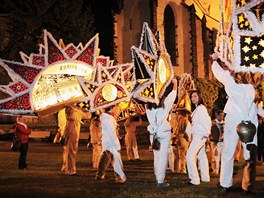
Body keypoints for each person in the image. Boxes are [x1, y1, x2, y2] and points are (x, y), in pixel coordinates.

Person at [211, 52, 259, 194]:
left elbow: (217, 71)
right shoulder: (253, 78)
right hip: (246, 117)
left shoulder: (230, 77)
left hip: (237, 117)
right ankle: (246, 185)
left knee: (232, 152)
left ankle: (227, 184)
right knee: (246, 153)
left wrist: (215, 59)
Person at [145, 78, 177, 187]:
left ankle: (157, 177)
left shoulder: (148, 107)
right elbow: (173, 94)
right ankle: (160, 181)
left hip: (153, 134)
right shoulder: (165, 105)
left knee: (157, 156)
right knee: (163, 156)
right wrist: (175, 83)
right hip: (163, 132)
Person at [95, 105, 126, 183]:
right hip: (111, 142)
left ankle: (100, 175)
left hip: (107, 142)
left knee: (105, 158)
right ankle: (118, 176)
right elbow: (111, 132)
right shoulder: (108, 118)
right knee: (115, 159)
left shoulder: (106, 117)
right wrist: (117, 144)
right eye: (116, 108)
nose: (117, 110)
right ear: (112, 108)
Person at [186, 90, 211, 185]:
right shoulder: (198, 109)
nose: (193, 98)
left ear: (199, 97)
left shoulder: (201, 109)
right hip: (199, 135)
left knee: (189, 156)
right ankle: (205, 177)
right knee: (202, 156)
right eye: (192, 97)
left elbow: (207, 121)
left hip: (200, 135)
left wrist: (206, 134)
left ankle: (194, 180)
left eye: (195, 96)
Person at [61, 106, 90, 176]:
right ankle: (70, 170)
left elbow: (88, 116)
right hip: (70, 134)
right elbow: (70, 117)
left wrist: (85, 109)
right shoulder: (69, 110)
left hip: (74, 134)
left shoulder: (77, 111)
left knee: (72, 152)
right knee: (70, 152)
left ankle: (69, 169)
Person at [209, 110, 225, 174]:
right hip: (215, 142)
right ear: (217, 115)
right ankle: (215, 170)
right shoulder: (213, 123)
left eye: (223, 115)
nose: (222, 117)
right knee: (215, 157)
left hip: (223, 142)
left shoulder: (225, 123)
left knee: (223, 157)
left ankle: (222, 170)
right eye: (220, 115)